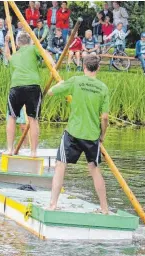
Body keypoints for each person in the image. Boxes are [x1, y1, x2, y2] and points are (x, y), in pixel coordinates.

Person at [47, 55, 110, 215]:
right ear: (98, 68)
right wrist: (102, 136)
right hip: (92, 135)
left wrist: (60, 84)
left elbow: (50, 92)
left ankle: (53, 205)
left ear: (83, 67)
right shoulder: (103, 88)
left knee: (60, 166)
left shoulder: (75, 81)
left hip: (73, 133)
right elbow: (104, 118)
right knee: (94, 169)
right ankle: (104, 208)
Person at [4, 32, 55, 157]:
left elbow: (7, 55)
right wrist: (52, 66)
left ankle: (9, 149)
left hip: (16, 87)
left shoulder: (14, 56)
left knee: (12, 117)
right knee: (33, 119)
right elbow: (46, 54)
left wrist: (6, 42)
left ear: (17, 44)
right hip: (32, 86)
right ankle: (33, 152)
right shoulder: (34, 47)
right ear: (30, 42)